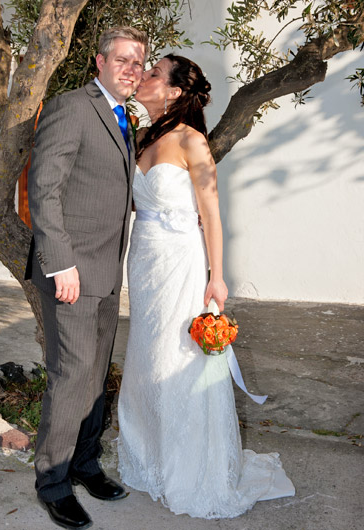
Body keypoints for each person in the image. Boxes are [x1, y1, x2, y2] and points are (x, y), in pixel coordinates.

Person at [117, 54, 295, 519]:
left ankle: (191, 466)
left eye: (154, 73)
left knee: (179, 356)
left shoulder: (192, 141)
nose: (144, 76)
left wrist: (217, 276)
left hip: (181, 262)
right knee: (146, 353)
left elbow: (212, 213)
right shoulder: (140, 137)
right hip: (144, 260)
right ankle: (152, 454)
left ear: (174, 91)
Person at [25, 26, 148, 529]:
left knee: (96, 376)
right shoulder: (72, 107)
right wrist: (60, 263)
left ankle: (85, 463)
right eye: (123, 60)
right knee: (72, 376)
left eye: (139, 63)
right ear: (98, 62)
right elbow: (43, 187)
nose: (131, 70)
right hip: (71, 271)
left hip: (107, 269)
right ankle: (52, 482)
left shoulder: (126, 118)